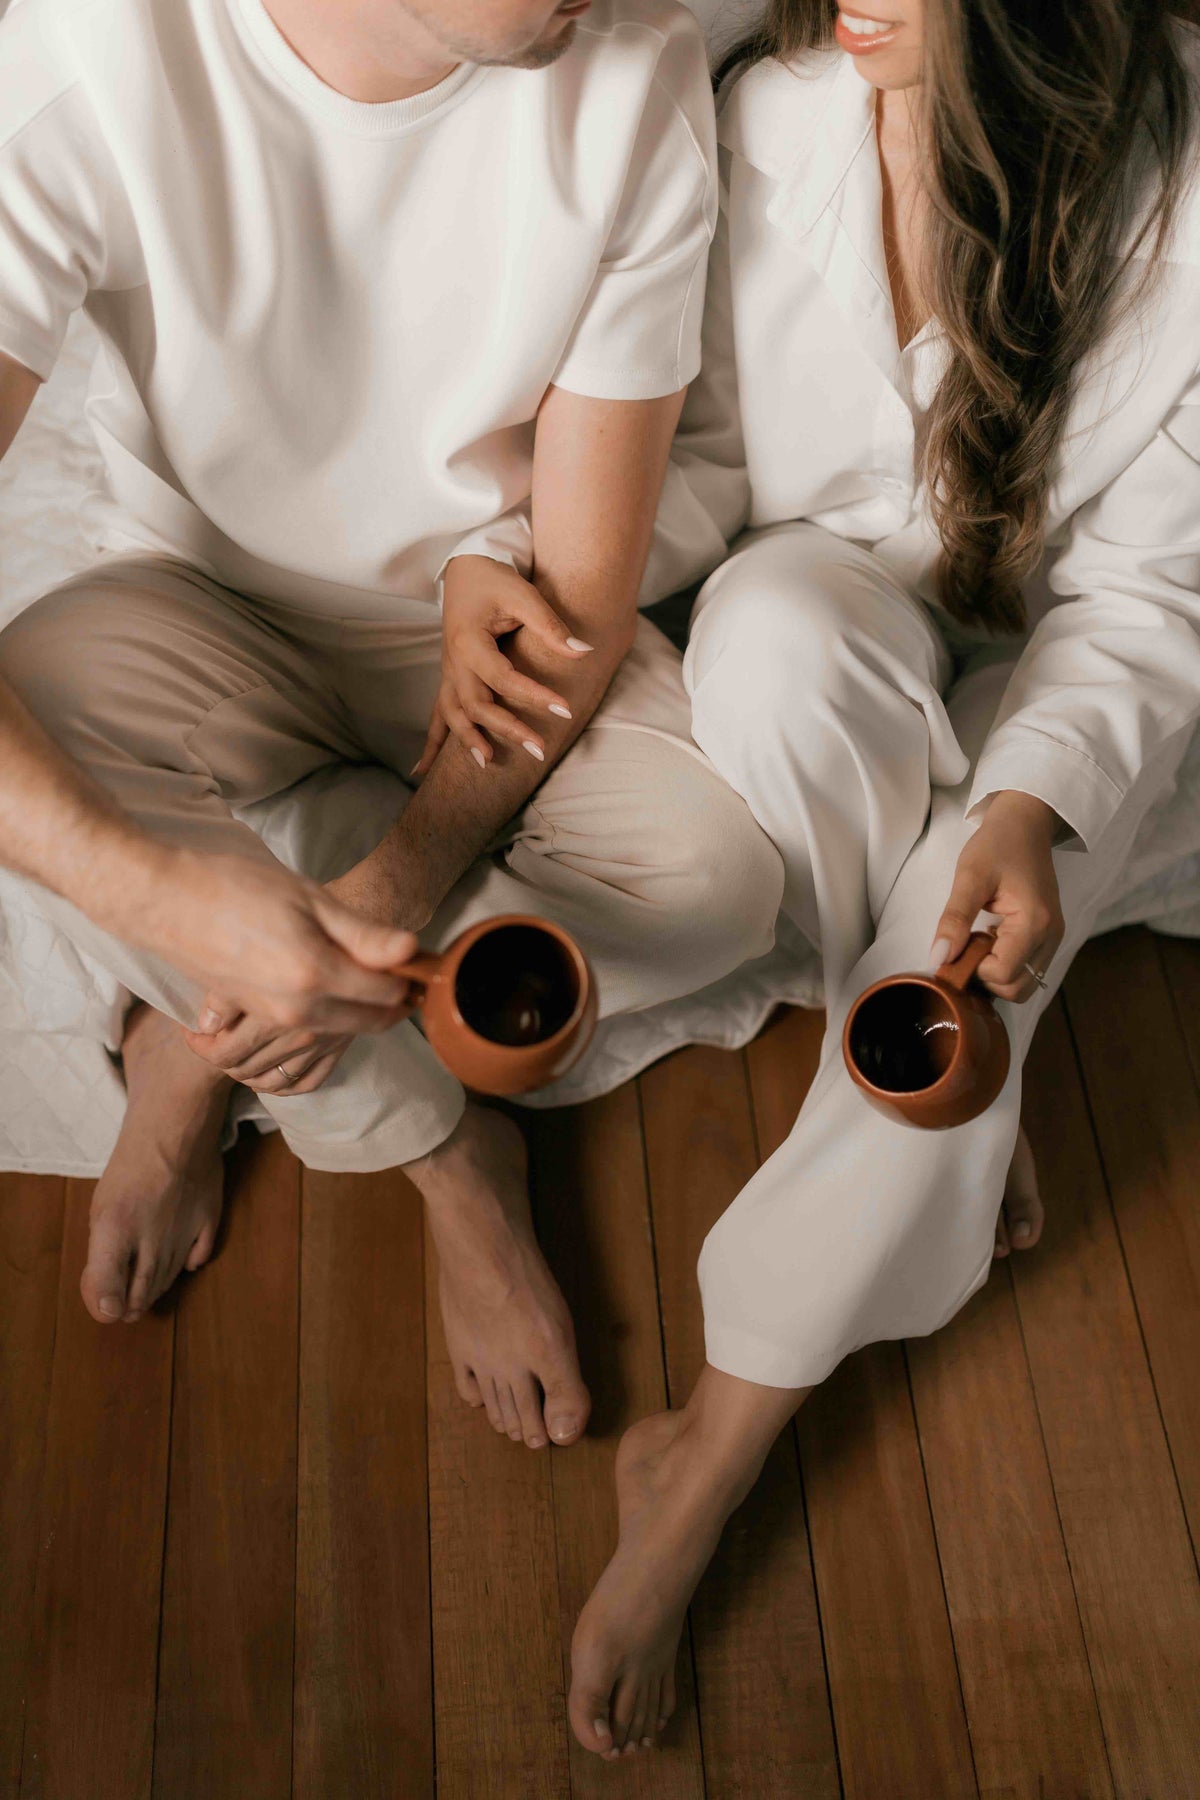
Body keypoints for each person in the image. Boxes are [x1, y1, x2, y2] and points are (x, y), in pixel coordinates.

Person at [450, 0, 1200, 1757]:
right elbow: (692, 480)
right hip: (834, 609)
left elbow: (1149, 608)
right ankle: (948, 1101)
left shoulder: (1185, 172)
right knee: (776, 639)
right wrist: (515, 572)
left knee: (1005, 855)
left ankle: (709, 1449)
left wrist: (1026, 805)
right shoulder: (769, 110)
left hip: (1071, 665)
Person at [0, 0, 786, 1455]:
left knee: (723, 879)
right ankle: (444, 1156)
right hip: (203, 601)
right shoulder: (77, 54)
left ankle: (203, 1032)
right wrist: (166, 890)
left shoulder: (634, 53)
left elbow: (585, 598)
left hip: (485, 610)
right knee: (35, 749)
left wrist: (391, 881)